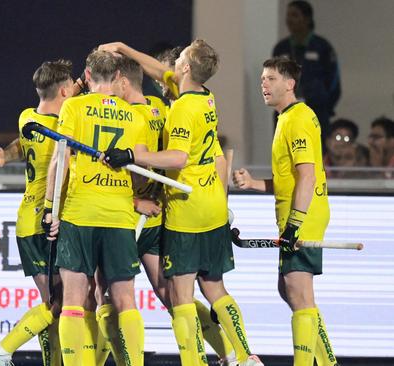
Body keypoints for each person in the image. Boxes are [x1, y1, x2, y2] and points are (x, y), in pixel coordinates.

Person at [101, 40, 263, 366]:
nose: (171, 66)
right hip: (213, 204)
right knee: (215, 287)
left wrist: (133, 156)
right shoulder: (206, 97)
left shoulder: (181, 110)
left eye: (180, 59)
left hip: (186, 208)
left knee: (180, 295)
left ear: (186, 67)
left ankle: (195, 361)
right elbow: (160, 69)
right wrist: (126, 49)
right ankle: (246, 356)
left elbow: (178, 156)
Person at [43, 50, 147, 366]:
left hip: (79, 212)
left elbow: (61, 159)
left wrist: (50, 208)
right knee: (125, 301)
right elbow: (139, 164)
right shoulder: (136, 116)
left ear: (86, 77)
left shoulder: (74, 106)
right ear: (118, 77)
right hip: (119, 216)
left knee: (74, 301)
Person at [233, 56, 338, 366]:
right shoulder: (287, 118)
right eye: (263, 78)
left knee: (299, 293)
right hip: (300, 215)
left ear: (290, 84)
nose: (263, 84)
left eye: (271, 79)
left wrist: (295, 224)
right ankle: (327, 362)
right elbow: (289, 180)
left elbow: (308, 175)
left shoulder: (298, 118)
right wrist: (253, 184)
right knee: (290, 290)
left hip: (303, 218)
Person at [0, 59, 76, 366]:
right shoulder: (64, 125)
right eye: (72, 85)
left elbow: (22, 144)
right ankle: (1, 351)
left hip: (33, 220)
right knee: (59, 303)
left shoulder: (27, 117)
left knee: (54, 304)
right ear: (63, 89)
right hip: (43, 222)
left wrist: (4, 154)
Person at [273, 0, 341, 140]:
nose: (289, 20)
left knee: (315, 154)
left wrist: (323, 106)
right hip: (286, 113)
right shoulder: (281, 48)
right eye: (288, 16)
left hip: (316, 113)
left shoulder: (322, 47)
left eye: (294, 15)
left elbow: (334, 82)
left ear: (307, 18)